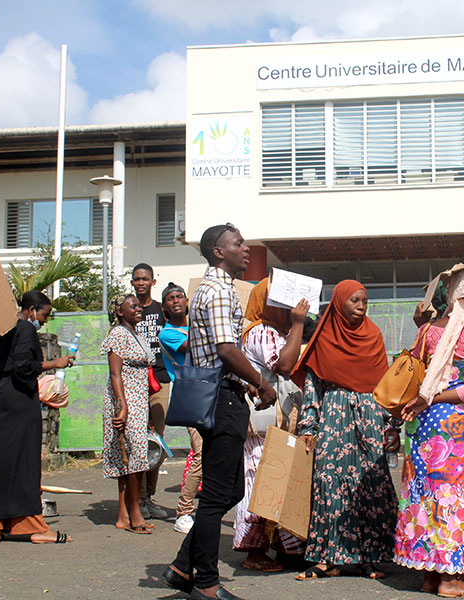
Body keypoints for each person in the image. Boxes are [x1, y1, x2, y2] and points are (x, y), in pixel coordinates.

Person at [162, 223, 278, 600]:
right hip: (220, 401)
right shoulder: (213, 291)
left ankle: (183, 565)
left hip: (227, 393)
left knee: (229, 489)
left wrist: (245, 383)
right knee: (216, 494)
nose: (246, 249)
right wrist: (261, 383)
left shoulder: (222, 289)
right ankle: (207, 584)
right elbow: (227, 350)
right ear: (218, 251)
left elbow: (218, 356)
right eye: (238, 243)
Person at [395, 265, 464, 598]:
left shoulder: (426, 331)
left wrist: (425, 399)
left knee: (426, 494)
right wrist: (436, 398)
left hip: (422, 424)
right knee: (452, 498)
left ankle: (429, 574)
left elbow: (418, 370)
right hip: (456, 427)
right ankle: (449, 580)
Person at [290, 280, 398, 582]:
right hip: (334, 418)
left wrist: (391, 426)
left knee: (370, 484)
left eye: (364, 301)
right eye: (354, 301)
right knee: (329, 483)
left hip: (369, 419)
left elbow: (386, 387)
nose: (361, 307)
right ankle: (328, 559)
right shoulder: (324, 337)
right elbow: (313, 387)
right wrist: (308, 426)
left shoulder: (374, 336)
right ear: (339, 303)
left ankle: (369, 557)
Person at [0, 290, 74, 544]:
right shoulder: (25, 329)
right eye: (44, 315)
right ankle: (33, 527)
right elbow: (23, 368)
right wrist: (55, 364)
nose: (45, 321)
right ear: (30, 310)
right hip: (18, 399)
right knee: (23, 461)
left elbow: (4, 364)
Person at [236, 278, 309, 571]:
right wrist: (299, 324)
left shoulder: (273, 331)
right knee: (259, 484)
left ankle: (284, 546)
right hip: (263, 423)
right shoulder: (262, 332)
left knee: (278, 483)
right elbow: (284, 364)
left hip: (274, 422)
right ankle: (254, 551)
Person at [100, 293, 156, 534]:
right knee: (135, 455)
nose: (137, 308)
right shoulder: (118, 334)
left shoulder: (137, 335)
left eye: (138, 305)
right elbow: (115, 373)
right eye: (131, 306)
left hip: (139, 401)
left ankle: (123, 515)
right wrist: (122, 406)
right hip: (125, 400)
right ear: (120, 312)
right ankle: (135, 514)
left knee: (128, 456)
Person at [158, 282, 198, 535]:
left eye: (179, 297)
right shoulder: (168, 333)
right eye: (170, 298)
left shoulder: (194, 325)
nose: (176, 301)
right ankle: (183, 512)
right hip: (190, 394)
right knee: (201, 452)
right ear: (164, 307)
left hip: (211, 389)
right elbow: (191, 347)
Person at [131, 262, 171, 520]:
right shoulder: (128, 309)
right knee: (137, 441)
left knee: (156, 441)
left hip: (160, 380)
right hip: (134, 381)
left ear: (153, 282)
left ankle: (149, 498)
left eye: (145, 279)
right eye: (137, 279)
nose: (141, 283)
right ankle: (136, 499)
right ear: (132, 282)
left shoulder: (161, 310)